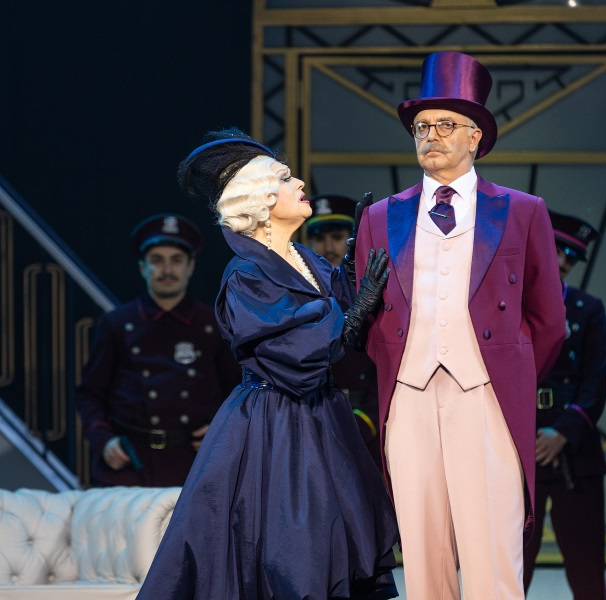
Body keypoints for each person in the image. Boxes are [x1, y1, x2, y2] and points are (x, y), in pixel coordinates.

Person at [136, 129, 399, 600]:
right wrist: (355, 308)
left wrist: (354, 265)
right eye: (285, 177)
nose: (299, 183)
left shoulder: (305, 259)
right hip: (275, 426)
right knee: (290, 549)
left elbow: (342, 323)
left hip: (322, 419)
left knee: (334, 543)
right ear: (261, 199)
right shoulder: (246, 274)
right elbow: (297, 350)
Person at [353, 51, 566, 599]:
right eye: (422, 127)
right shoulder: (379, 217)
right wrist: (404, 370)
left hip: (487, 395)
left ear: (476, 137)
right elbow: (368, 318)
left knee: (491, 556)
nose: (431, 136)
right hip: (409, 395)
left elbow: (549, 320)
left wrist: (506, 374)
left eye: (446, 125)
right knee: (423, 558)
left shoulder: (522, 210)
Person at [76, 213, 240, 487]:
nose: (167, 270)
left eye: (176, 260)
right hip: (131, 464)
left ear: (190, 266)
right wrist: (103, 440)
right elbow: (89, 394)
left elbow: (239, 392)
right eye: (157, 260)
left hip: (196, 463)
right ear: (143, 267)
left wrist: (221, 431)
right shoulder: (117, 324)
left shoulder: (214, 324)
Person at [522, 211, 606, 598]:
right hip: (519, 450)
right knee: (509, 568)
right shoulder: (510, 303)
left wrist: (562, 433)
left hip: (574, 451)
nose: (562, 261)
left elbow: (596, 382)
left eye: (572, 256)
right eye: (556, 249)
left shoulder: (588, 309)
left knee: (587, 569)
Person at [307, 193, 382, 469]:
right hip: (314, 424)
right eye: (319, 238)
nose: (328, 247)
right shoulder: (300, 292)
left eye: (338, 237)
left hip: (368, 424)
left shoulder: (375, 286)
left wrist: (366, 419)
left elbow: (391, 357)